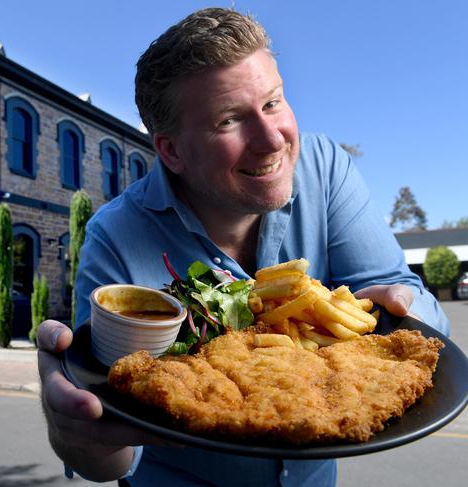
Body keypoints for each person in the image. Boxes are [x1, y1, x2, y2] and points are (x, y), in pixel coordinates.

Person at [37, 7, 450, 487]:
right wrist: (76, 433)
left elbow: (409, 308)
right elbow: (109, 450)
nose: (272, 140)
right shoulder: (115, 235)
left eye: (273, 103)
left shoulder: (324, 168)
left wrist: (406, 307)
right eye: (230, 120)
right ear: (170, 150)